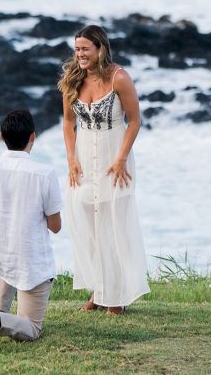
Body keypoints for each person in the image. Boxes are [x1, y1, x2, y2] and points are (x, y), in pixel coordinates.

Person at [58, 24, 149, 315]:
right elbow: (68, 123)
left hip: (114, 159)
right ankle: (98, 292)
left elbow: (134, 121)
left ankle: (116, 297)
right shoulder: (73, 80)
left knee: (112, 226)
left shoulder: (119, 78)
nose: (80, 54)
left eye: (85, 49)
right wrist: (71, 158)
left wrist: (122, 158)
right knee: (87, 225)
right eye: (77, 49)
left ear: (100, 49)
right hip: (83, 160)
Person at [0, 110, 62, 350]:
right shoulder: (45, 173)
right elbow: (56, 227)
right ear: (33, 137)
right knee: (31, 327)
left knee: (11, 268)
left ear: (1, 137)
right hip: (29, 262)